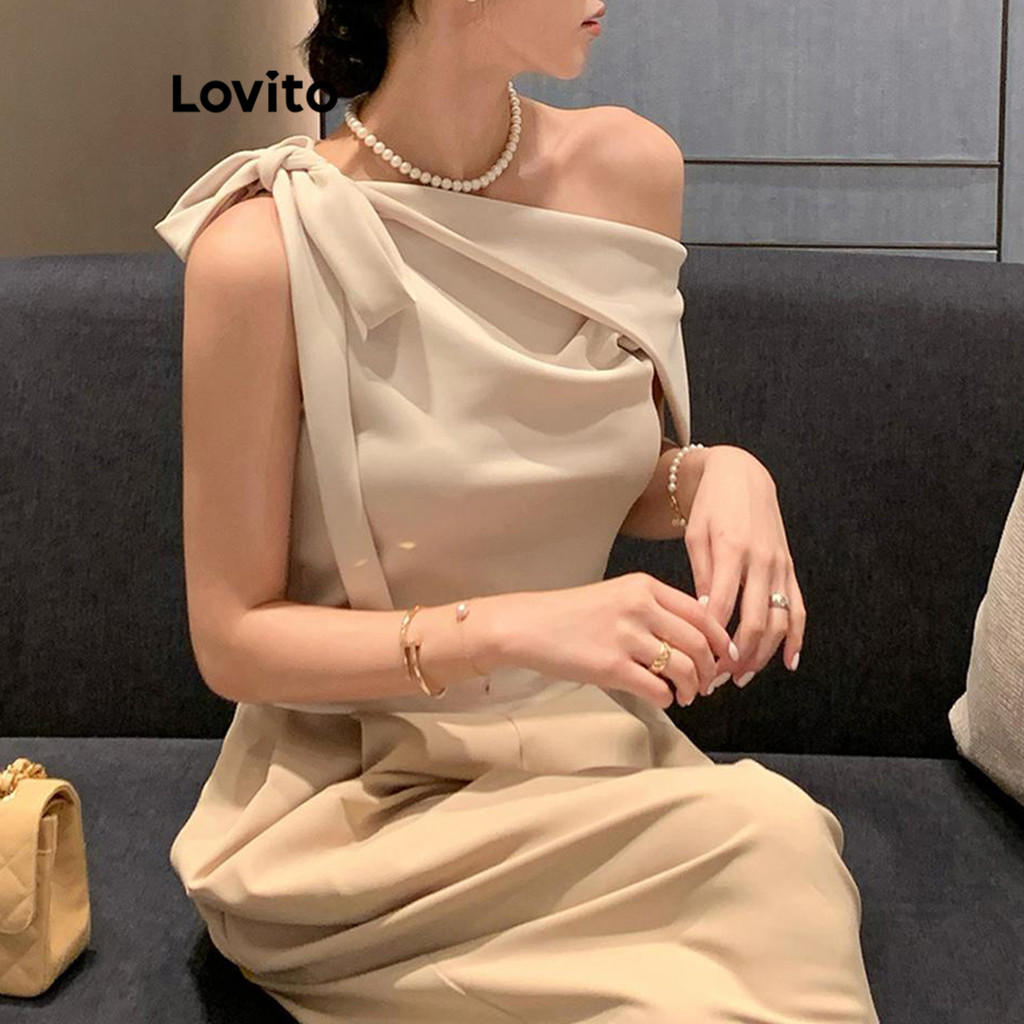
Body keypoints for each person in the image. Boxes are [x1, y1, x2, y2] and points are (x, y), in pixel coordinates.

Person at [153, 1, 880, 1020]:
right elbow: (232, 640)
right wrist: (512, 627)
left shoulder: (628, 172)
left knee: (779, 846)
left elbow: (605, 472)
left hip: (583, 758)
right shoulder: (266, 247)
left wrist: (722, 474)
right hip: (358, 812)